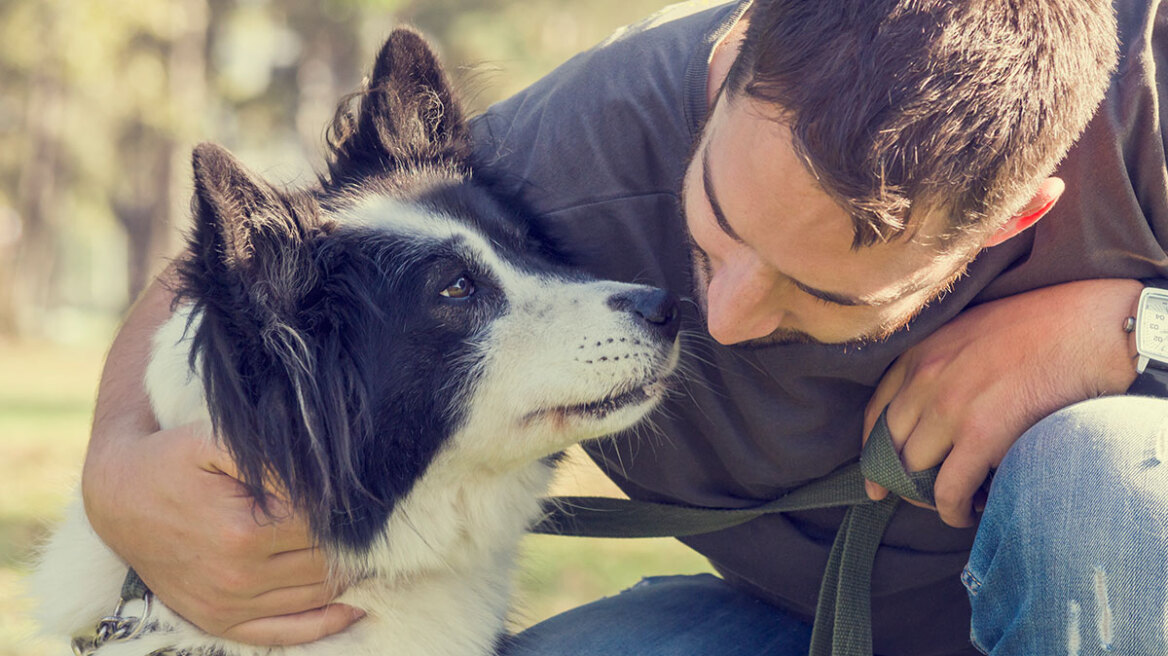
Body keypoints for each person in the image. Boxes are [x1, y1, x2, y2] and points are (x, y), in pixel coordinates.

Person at [81, 1, 1168, 654]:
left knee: (1100, 476)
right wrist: (117, 469)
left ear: (1018, 212)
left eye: (818, 293)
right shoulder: (589, 138)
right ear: (723, 62)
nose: (725, 318)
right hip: (785, 624)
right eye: (712, 234)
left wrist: (1125, 324)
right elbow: (270, 251)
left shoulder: (1146, 105)